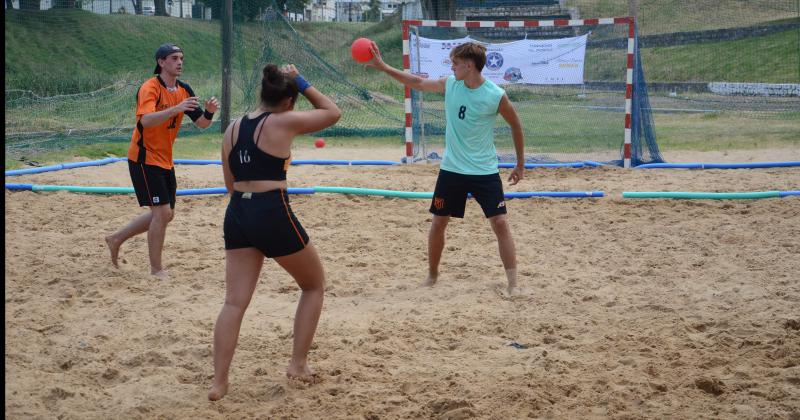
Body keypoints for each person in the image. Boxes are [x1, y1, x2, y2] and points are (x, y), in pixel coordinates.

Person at [207, 64, 341, 401]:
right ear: (289, 101)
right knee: (313, 286)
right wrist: (302, 80)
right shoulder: (284, 120)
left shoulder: (233, 128)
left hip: (238, 211)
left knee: (234, 302)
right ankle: (298, 364)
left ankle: (219, 382)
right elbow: (332, 112)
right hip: (271, 209)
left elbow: (229, 184)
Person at [365, 41, 526, 295]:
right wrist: (384, 67)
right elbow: (416, 82)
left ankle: (513, 284)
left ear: (469, 65)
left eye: (455, 63)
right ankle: (432, 276)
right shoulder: (451, 84)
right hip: (452, 170)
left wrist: (520, 163)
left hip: (484, 171)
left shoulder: (495, 95)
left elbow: (516, 125)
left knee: (501, 223)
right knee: (439, 222)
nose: (451, 67)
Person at [105, 43, 219, 278]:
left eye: (181, 58)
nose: (180, 62)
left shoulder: (184, 89)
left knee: (166, 214)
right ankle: (156, 269)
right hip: (143, 158)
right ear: (161, 62)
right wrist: (175, 108)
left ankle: (116, 238)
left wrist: (208, 112)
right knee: (161, 213)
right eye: (174, 58)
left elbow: (202, 124)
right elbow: (145, 121)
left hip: (165, 159)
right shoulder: (150, 87)